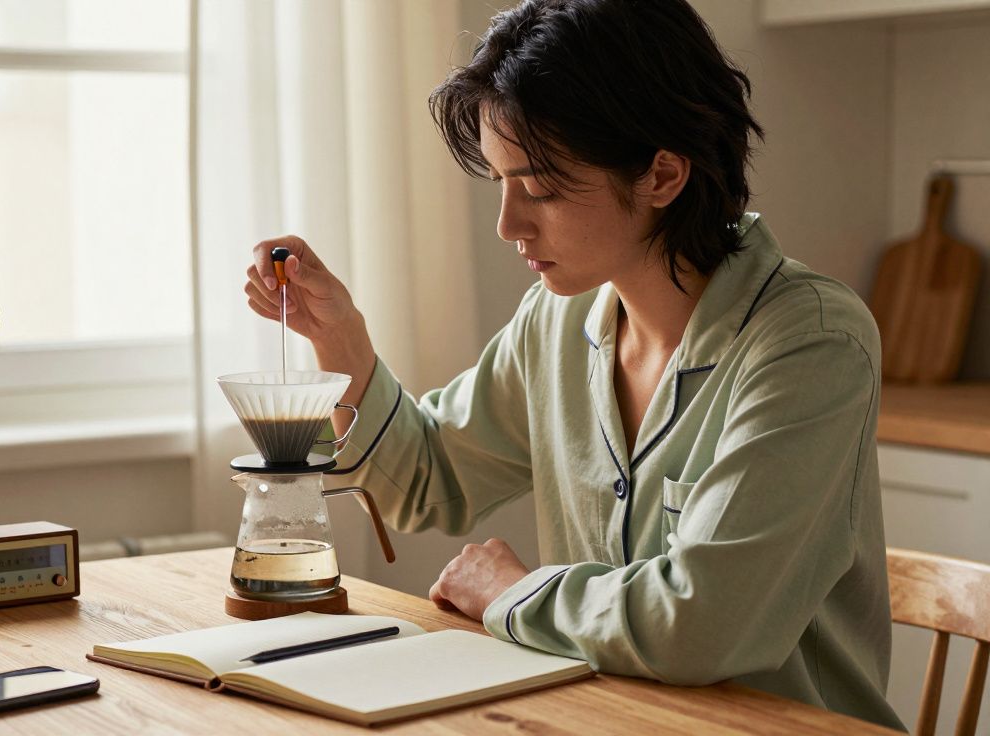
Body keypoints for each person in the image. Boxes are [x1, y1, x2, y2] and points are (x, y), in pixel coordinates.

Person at [242, 0, 902, 729]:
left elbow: (699, 623)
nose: (508, 224)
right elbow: (430, 480)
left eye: (541, 189)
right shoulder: (557, 320)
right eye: (500, 183)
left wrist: (513, 592)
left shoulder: (810, 343)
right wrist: (340, 336)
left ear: (662, 175)